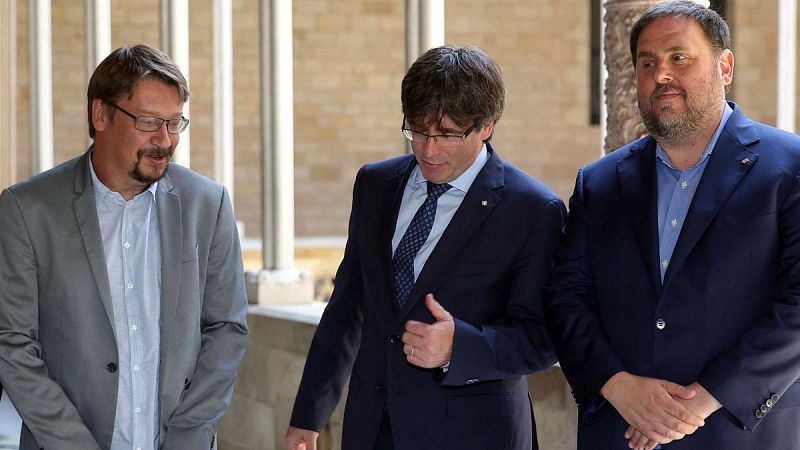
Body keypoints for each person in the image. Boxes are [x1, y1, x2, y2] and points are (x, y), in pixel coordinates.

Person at [546, 2, 800, 450]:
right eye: (648, 63)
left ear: (725, 67)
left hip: (737, 433)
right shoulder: (599, 183)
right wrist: (617, 385)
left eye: (679, 57)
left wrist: (702, 401)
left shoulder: (788, 167)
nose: (661, 74)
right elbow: (566, 298)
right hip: (620, 431)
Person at [285, 45, 564, 450]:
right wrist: (308, 417)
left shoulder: (533, 210)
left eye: (448, 134)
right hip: (371, 430)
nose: (428, 150)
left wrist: (459, 348)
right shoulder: (374, 185)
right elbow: (346, 309)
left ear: (487, 126)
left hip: (474, 437)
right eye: (417, 130)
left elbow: (543, 340)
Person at [0, 44, 248, 450]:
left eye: (174, 123)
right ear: (101, 115)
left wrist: (188, 436)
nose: (165, 140)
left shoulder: (208, 203)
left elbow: (227, 329)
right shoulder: (28, 209)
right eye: (149, 122)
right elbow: (12, 343)